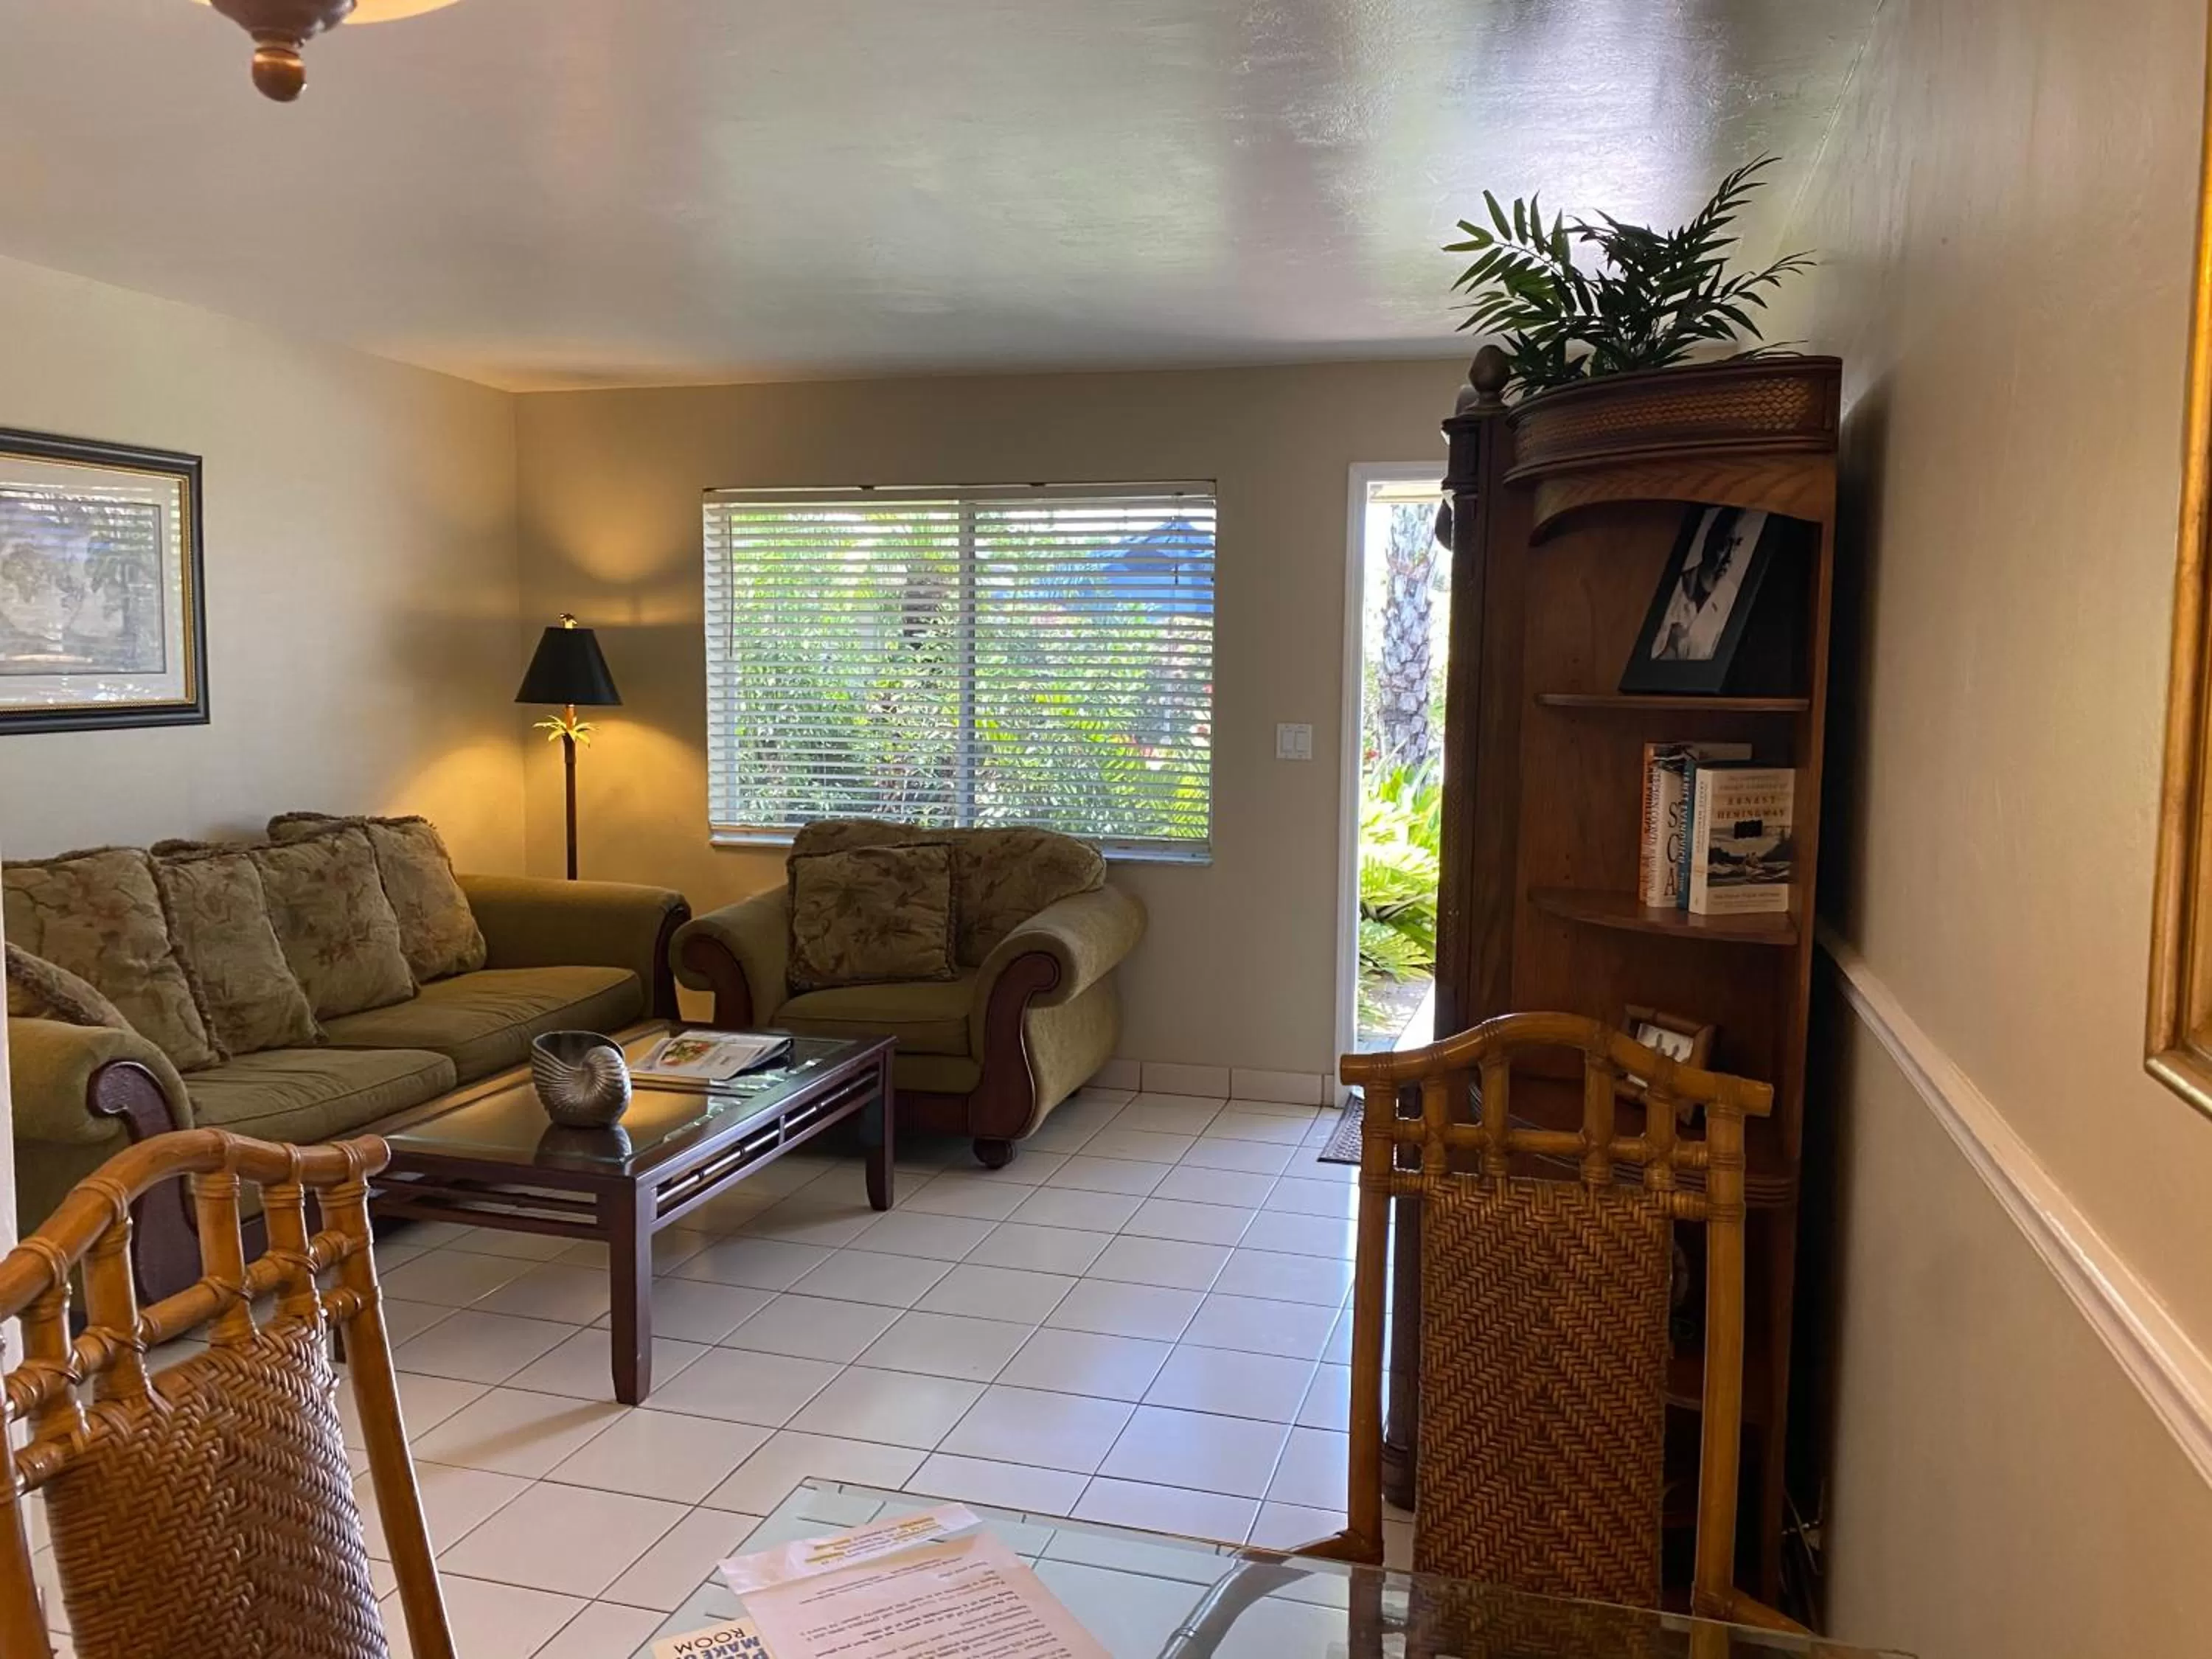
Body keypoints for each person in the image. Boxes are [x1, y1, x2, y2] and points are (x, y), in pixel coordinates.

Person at [1652, 507, 1759, 661]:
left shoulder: (1731, 599)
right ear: (1710, 542)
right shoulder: (1673, 591)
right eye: (1724, 545)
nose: (1730, 557)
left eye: (1736, 545)